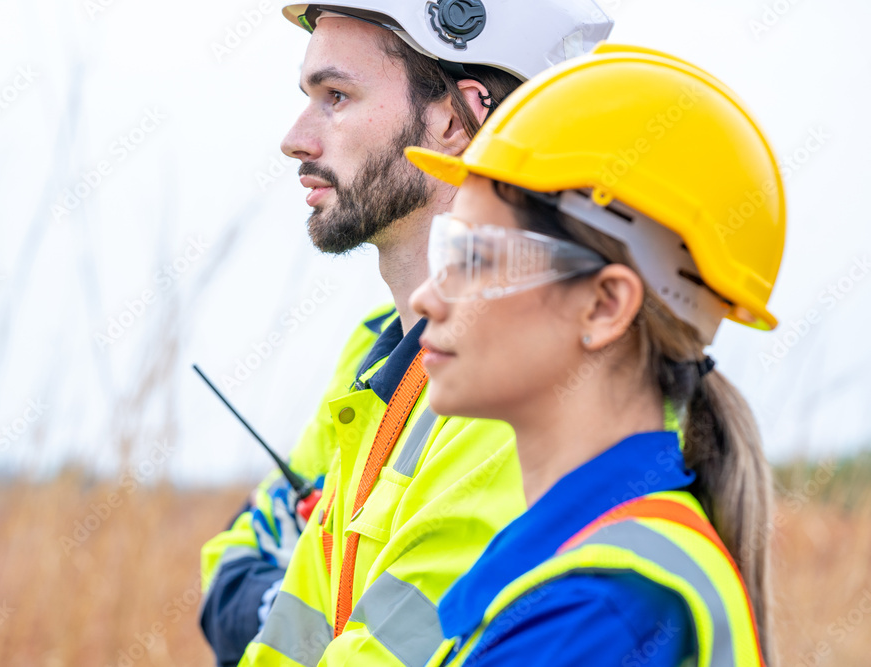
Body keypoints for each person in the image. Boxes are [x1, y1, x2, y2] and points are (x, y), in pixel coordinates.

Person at [199, 2, 615, 666]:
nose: (296, 138)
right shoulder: (379, 351)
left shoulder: (520, 390)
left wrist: (275, 601)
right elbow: (239, 549)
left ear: (453, 119)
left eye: (335, 96)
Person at [405, 43, 783, 666]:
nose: (427, 297)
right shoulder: (584, 576)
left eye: (473, 258)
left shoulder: (593, 614)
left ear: (605, 305)